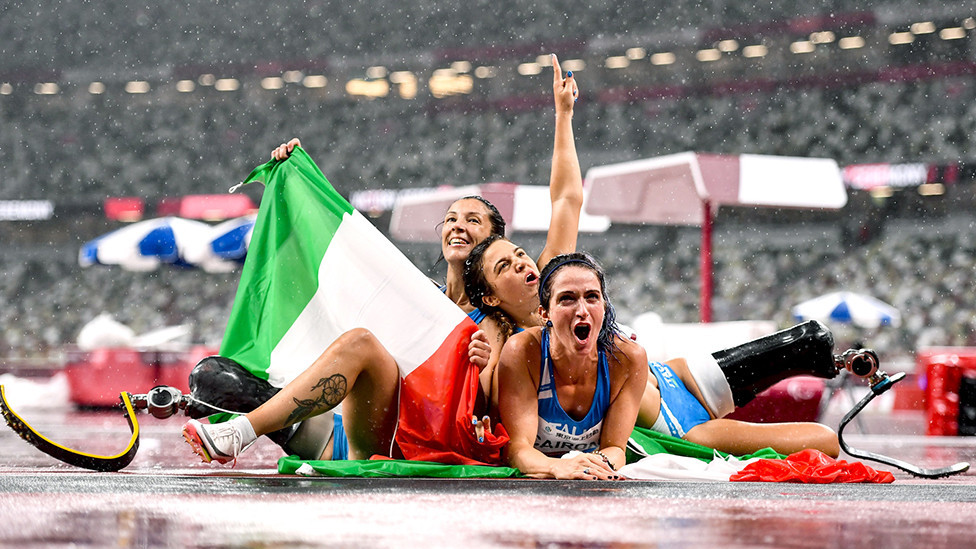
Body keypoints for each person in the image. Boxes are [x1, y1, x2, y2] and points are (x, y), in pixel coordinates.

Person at [182, 54, 583, 464]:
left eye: (473, 220)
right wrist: (296, 184)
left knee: (361, 343)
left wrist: (563, 116)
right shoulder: (416, 294)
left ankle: (239, 433)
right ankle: (241, 427)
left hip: (403, 443)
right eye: (450, 219)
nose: (458, 226)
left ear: (494, 241)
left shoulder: (511, 305)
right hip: (343, 430)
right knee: (213, 378)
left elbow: (566, 202)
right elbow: (342, 283)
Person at [466, 242, 847, 460]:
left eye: (520, 255)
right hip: (677, 422)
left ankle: (835, 356)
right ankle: (828, 356)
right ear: (488, 295)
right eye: (504, 266)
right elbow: (482, 402)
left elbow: (567, 199)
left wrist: (564, 116)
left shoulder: (563, 280)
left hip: (672, 379)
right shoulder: (501, 337)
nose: (521, 264)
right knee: (825, 441)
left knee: (805, 344)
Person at [496, 252, 648, 479]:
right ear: (544, 313)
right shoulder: (524, 352)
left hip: (655, 400)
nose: (582, 310)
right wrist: (559, 467)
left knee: (694, 436)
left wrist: (595, 466)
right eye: (567, 298)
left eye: (592, 297)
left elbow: (616, 448)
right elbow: (518, 450)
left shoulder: (629, 358)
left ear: (604, 306)